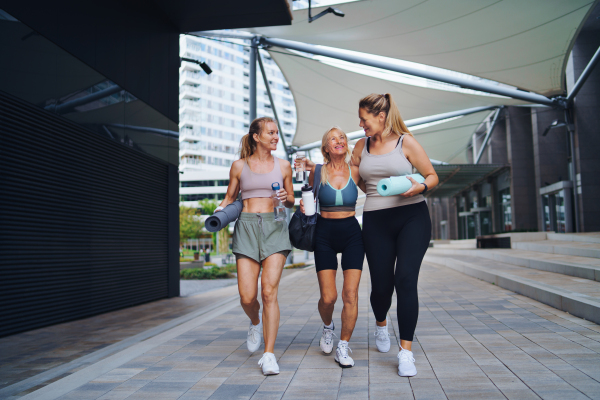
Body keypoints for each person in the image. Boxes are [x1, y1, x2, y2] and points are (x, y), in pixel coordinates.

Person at [352, 93, 438, 377]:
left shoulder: (406, 142)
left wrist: (420, 188)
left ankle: (406, 352)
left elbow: (431, 176)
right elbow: (358, 180)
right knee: (381, 287)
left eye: (364, 119)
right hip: (376, 219)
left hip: (412, 216)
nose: (361, 124)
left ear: (381, 116)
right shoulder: (361, 146)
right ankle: (380, 322)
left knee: (405, 279)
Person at [217, 117, 294, 375]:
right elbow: (230, 197)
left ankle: (269, 355)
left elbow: (291, 198)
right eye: (270, 133)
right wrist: (218, 213)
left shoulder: (283, 166)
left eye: (276, 133)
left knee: (268, 291)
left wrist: (286, 197)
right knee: (247, 297)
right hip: (246, 228)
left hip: (275, 227)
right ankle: (254, 321)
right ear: (256, 136)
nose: (275, 137)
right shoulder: (239, 166)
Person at [297, 127, 364, 368]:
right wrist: (304, 207)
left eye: (342, 137)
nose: (339, 141)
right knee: (328, 297)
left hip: (352, 234)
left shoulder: (355, 171)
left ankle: (343, 346)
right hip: (324, 234)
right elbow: (308, 198)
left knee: (350, 295)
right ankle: (328, 328)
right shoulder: (317, 171)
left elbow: (376, 191)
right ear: (326, 147)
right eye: (333, 139)